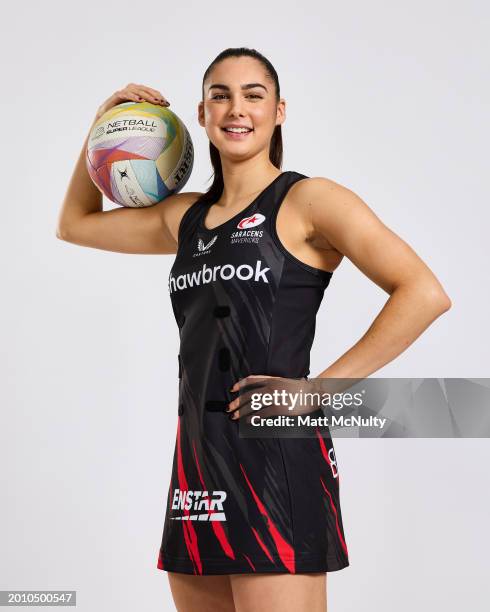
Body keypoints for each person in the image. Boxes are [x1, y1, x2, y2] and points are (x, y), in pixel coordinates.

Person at [56, 47, 451, 612]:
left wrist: (319, 391)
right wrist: (101, 128)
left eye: (253, 95)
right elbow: (75, 225)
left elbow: (423, 293)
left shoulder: (309, 200)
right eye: (220, 95)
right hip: (197, 465)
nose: (236, 108)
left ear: (279, 111)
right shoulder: (186, 218)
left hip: (276, 461)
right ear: (200, 114)